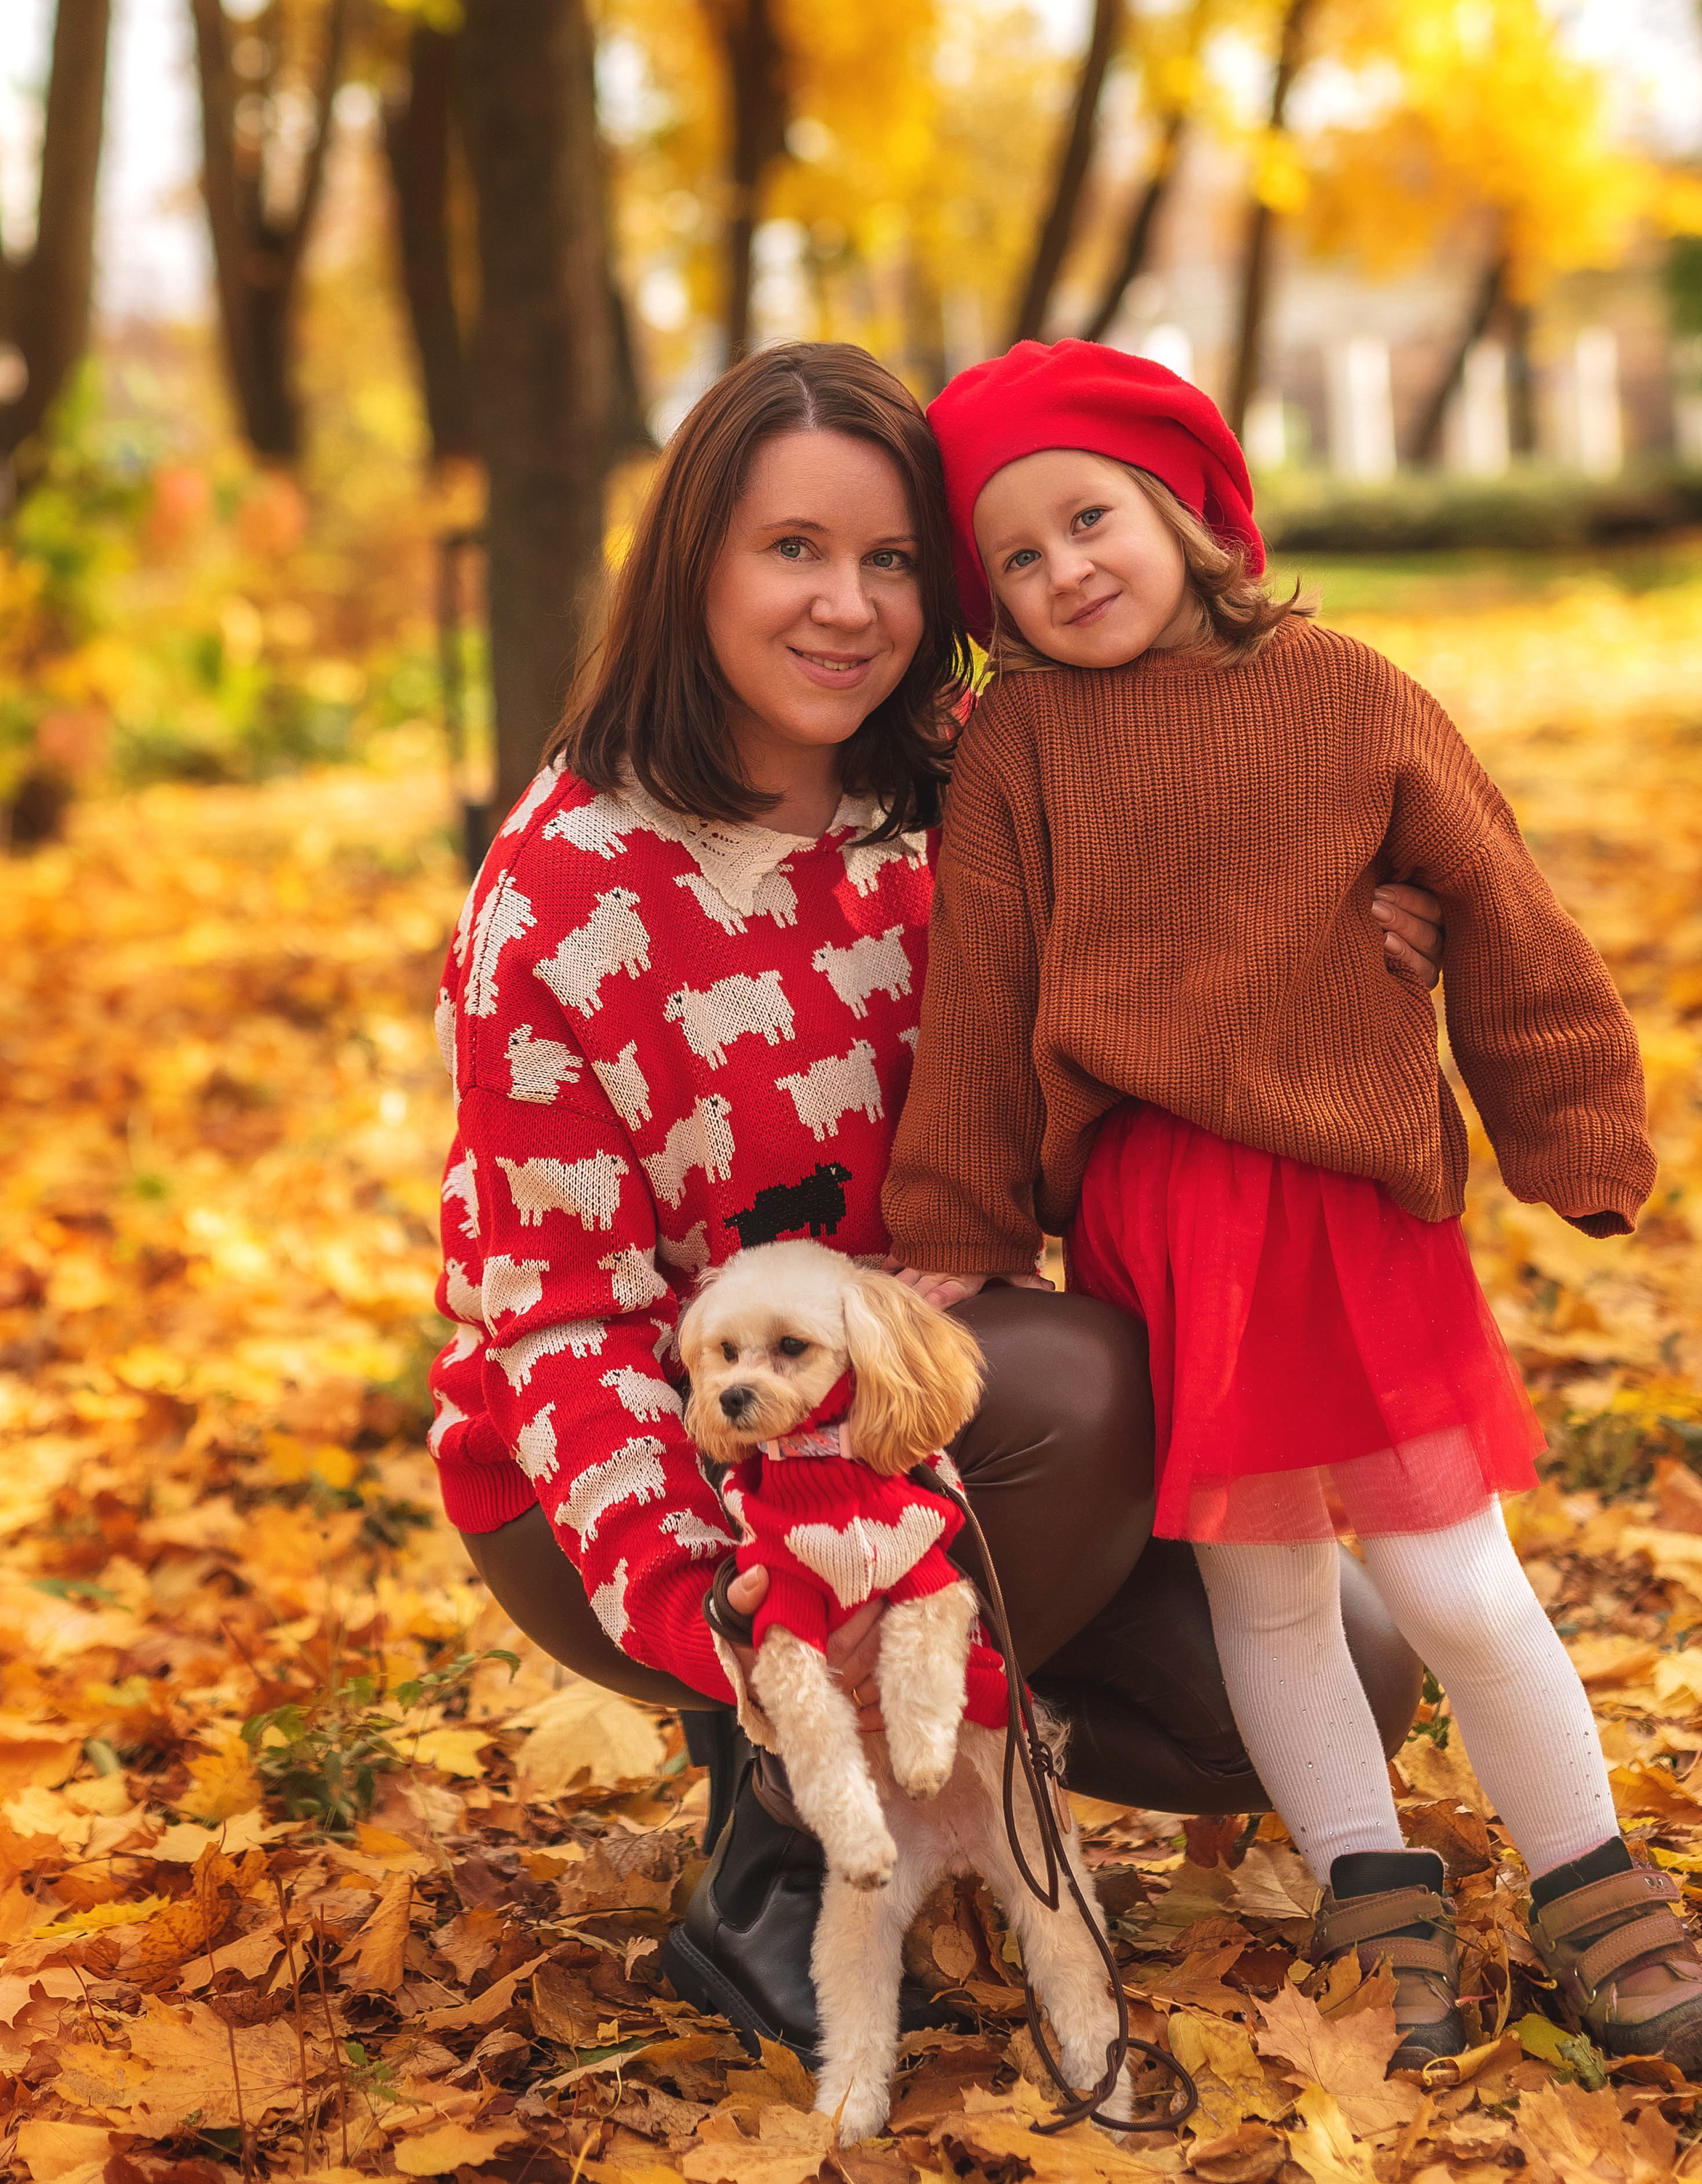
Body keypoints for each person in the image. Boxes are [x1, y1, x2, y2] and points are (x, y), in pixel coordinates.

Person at [427, 342, 1448, 2061]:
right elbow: (559, 1316)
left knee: (1341, 1685)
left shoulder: (967, 785)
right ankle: (777, 1852)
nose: (848, 606)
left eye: (892, 559)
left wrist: (1348, 940)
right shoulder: (558, 892)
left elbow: (1182, 944)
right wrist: (713, 1599)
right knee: (1073, 1379)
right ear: (693, 564)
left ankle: (922, 1736)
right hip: (638, 1465)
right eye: (793, 551)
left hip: (927, 1435)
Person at [881, 336, 1702, 2078]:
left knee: (1453, 1579)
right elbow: (977, 995)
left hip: (1350, 1212)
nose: (1065, 571)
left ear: (1186, 506)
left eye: (1089, 517)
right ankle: (1372, 1896)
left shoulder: (1345, 691)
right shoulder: (1017, 748)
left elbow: (1495, 901)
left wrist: (1568, 1118)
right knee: (1262, 1599)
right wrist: (960, 1228)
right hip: (1161, 1223)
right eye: (1018, 562)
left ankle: (1590, 1880)